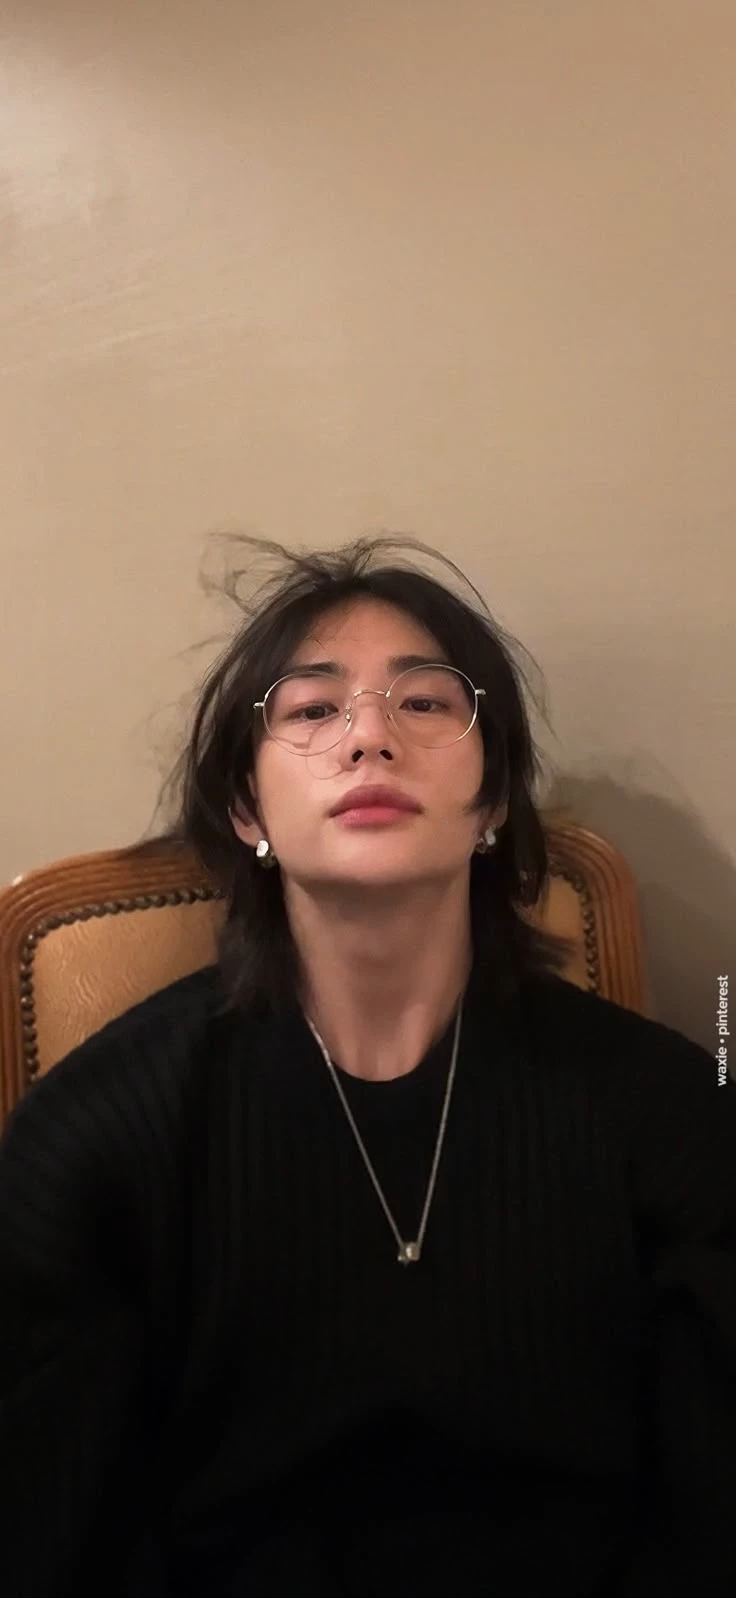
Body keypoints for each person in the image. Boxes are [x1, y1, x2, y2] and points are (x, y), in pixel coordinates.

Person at [1, 533, 734, 1598]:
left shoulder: (667, 1112)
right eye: (311, 709)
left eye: (425, 702)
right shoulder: (96, 1142)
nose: (370, 737)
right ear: (245, 809)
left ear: (494, 800)